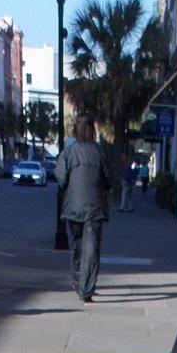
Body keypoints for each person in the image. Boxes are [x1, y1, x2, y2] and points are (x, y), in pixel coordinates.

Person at [55, 115, 109, 302]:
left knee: (76, 246)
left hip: (73, 207)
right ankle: (86, 289)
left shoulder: (68, 153)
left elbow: (61, 179)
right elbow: (107, 180)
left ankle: (78, 281)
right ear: (92, 130)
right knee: (91, 250)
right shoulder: (99, 152)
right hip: (94, 207)